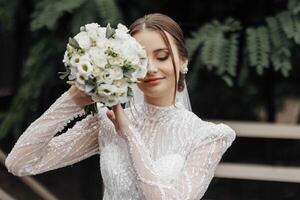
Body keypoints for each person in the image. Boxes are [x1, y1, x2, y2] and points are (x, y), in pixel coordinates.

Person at [5, 13, 236, 200]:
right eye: (141, 60)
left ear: (183, 60)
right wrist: (71, 100)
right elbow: (19, 163)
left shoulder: (206, 137)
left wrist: (129, 134)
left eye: (162, 56)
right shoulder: (107, 122)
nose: (151, 69)